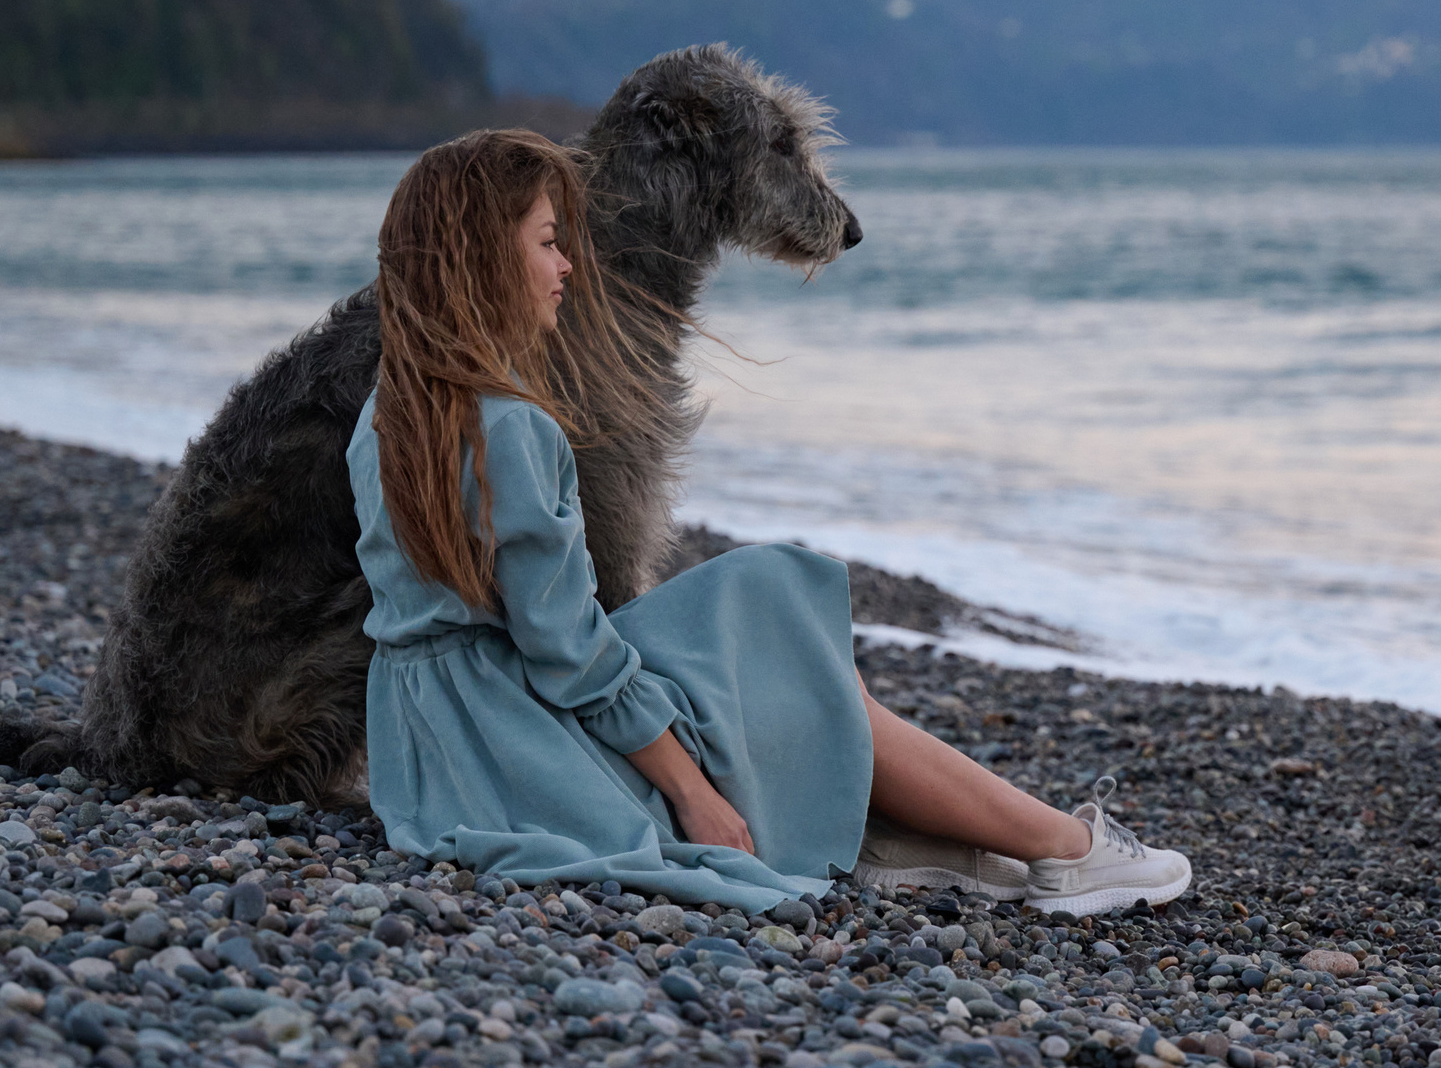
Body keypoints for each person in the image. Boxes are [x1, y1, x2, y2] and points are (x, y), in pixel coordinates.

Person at [347, 129, 1191, 915]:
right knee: (777, 606)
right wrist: (692, 793)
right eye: (546, 242)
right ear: (487, 259)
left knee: (769, 603)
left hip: (429, 745)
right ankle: (1062, 848)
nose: (567, 266)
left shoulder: (386, 415)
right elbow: (567, 655)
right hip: (520, 750)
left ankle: (900, 831)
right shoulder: (510, 426)